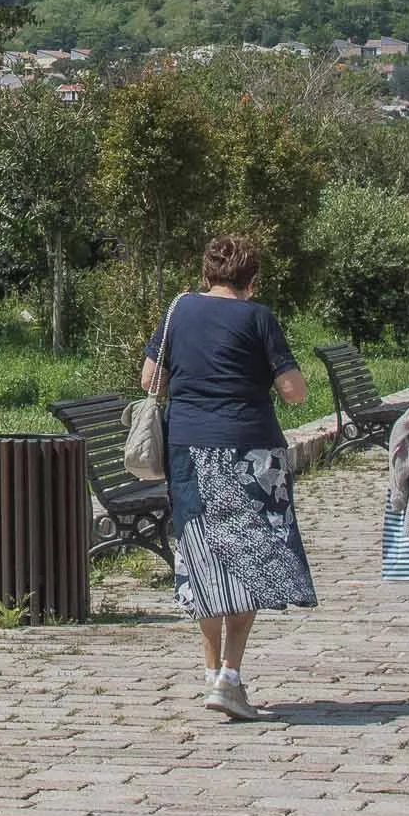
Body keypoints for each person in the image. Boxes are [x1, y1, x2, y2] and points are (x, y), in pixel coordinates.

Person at [139, 231, 316, 722]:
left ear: (205, 274)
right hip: (249, 450)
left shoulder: (179, 310)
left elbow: (149, 378)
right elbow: (294, 391)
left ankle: (209, 672)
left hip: (187, 450)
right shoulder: (258, 318)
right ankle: (230, 678)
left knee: (202, 556)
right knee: (251, 557)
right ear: (251, 280)